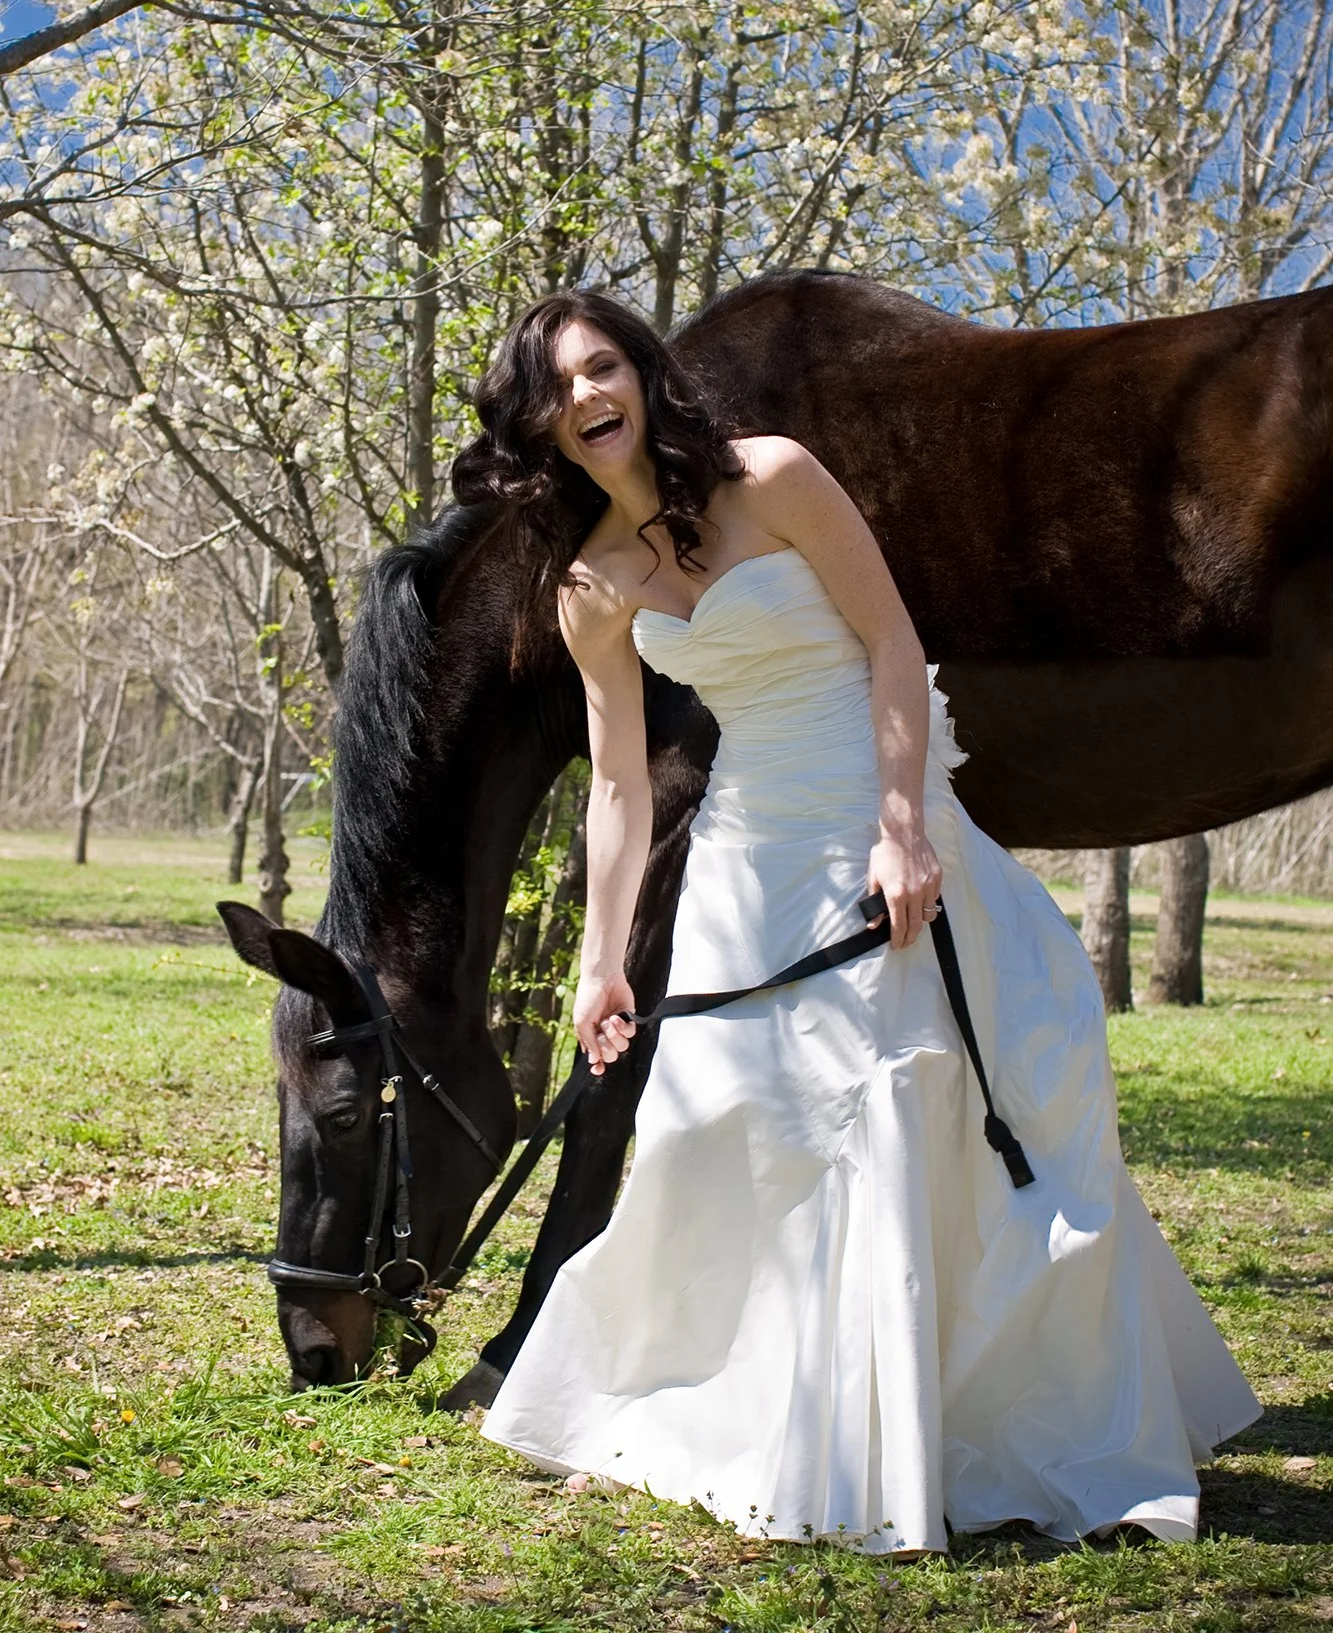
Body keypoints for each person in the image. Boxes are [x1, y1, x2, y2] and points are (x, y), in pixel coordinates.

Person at [455, 287, 1260, 1556]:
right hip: (741, 858)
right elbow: (615, 785)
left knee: (910, 1102)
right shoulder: (593, 589)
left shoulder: (769, 475)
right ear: (538, 424)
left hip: (873, 826)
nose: (586, 397)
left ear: (643, 372)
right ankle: (790, 1421)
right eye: (557, 388)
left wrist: (902, 825)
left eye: (602, 365)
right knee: (737, 1127)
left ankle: (941, 1425)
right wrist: (600, 961)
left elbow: (890, 638)